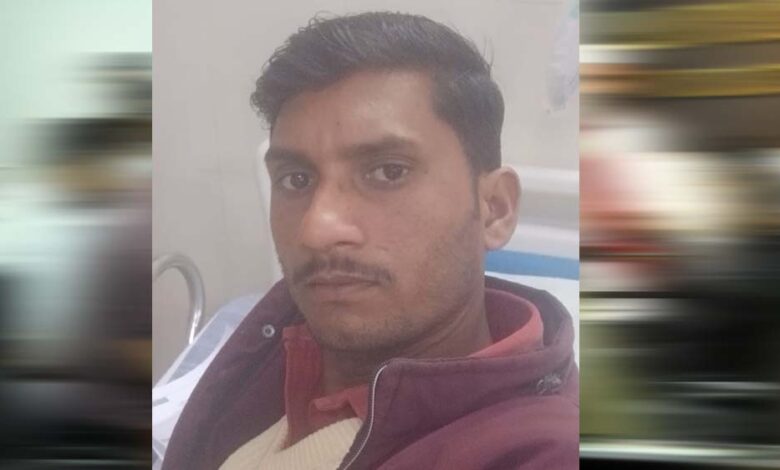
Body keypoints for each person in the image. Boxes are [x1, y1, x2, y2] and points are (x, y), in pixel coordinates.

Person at [163, 12, 578, 470]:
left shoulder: (538, 451)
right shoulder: (281, 332)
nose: (316, 230)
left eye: (388, 172)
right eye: (296, 179)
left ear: (495, 208)